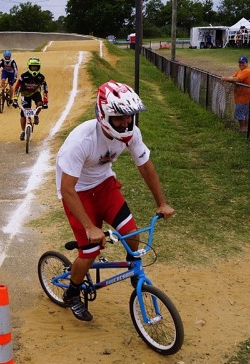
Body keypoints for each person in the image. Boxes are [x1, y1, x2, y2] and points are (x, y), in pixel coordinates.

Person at [55, 80, 174, 321]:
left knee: (132, 234)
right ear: (103, 115)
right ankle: (72, 292)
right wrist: (89, 226)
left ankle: (133, 267)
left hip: (105, 185)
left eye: (129, 117)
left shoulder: (131, 135)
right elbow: (67, 188)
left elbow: (145, 166)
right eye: (119, 118)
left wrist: (161, 202)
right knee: (89, 252)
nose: (126, 122)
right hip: (77, 192)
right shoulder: (82, 140)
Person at [12, 57, 49, 141]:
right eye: (32, 67)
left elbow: (45, 89)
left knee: (40, 104)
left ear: (39, 67)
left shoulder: (41, 77)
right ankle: (22, 131)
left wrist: (46, 101)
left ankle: (35, 115)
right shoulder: (23, 76)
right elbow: (17, 87)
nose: (34, 68)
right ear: (29, 67)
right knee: (23, 113)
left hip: (36, 93)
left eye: (36, 67)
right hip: (25, 94)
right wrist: (15, 99)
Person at [220, 55, 250, 133]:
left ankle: (242, 129)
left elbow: (236, 79)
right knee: (244, 114)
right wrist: (227, 78)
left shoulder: (247, 71)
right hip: (242, 97)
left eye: (243, 62)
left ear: (247, 63)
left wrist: (224, 78)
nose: (241, 64)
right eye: (240, 62)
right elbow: (233, 77)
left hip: (244, 98)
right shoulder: (240, 71)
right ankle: (245, 129)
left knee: (240, 114)